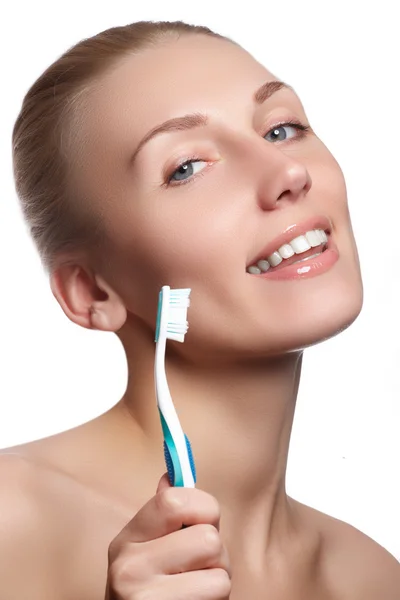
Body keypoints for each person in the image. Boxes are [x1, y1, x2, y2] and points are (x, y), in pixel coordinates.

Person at [1, 18, 398, 600]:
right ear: (91, 292)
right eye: (186, 167)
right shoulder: (12, 522)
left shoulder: (373, 578)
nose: (287, 174)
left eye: (283, 129)